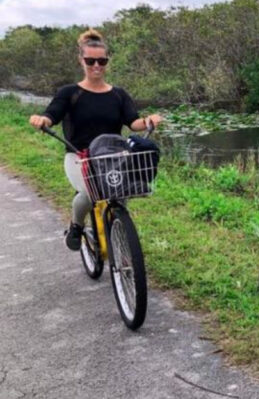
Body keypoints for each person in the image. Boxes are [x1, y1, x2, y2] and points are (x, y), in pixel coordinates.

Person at [28, 28, 163, 251]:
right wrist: (41, 120)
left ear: (107, 61)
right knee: (90, 194)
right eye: (90, 61)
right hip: (78, 156)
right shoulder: (69, 92)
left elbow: (133, 122)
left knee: (120, 193)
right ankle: (76, 226)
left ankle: (119, 238)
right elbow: (51, 115)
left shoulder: (118, 94)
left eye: (102, 60)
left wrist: (148, 120)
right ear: (81, 60)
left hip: (111, 156)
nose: (97, 66)